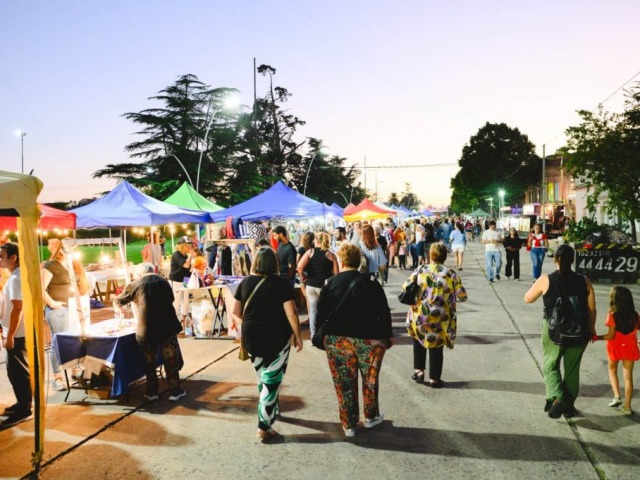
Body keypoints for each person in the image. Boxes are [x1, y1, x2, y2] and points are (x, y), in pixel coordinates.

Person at [315, 243, 393, 437]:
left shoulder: (330, 284)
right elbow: (383, 312)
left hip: (338, 340)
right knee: (370, 380)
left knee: (344, 382)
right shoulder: (372, 283)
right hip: (371, 340)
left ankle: (349, 424)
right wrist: (388, 335)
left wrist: (321, 335)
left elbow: (320, 312)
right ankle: (370, 416)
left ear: (340, 261)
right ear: (359, 261)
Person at [231, 247, 303, 441]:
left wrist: (243, 325)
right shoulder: (281, 284)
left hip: (251, 337)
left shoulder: (245, 283)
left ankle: (272, 408)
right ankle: (264, 426)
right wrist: (298, 335)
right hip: (277, 337)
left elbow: (235, 312)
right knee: (271, 380)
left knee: (262, 375)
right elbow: (291, 313)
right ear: (274, 263)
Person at [524, 244, 597, 418]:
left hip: (554, 331)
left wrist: (539, 286)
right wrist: (592, 329)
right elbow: (592, 309)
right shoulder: (584, 280)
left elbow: (527, 299)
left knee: (550, 365)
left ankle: (557, 398)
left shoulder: (546, 279)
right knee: (572, 369)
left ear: (556, 259)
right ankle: (569, 407)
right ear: (572, 260)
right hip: (580, 332)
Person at [114, 264, 185, 402]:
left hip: (147, 329)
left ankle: (151, 391)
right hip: (167, 326)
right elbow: (171, 299)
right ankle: (175, 391)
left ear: (139, 274)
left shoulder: (134, 285)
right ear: (153, 271)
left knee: (149, 361)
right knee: (170, 360)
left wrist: (121, 310)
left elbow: (118, 300)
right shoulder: (164, 281)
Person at [403, 243, 468, 388]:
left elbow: (406, 286)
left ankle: (419, 372)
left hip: (420, 314)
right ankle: (434, 379)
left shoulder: (421, 269)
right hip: (441, 318)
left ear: (431, 255)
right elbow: (462, 296)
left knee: (419, 341)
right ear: (444, 256)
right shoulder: (450, 274)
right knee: (437, 347)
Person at [0, 243, 33, 429]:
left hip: (17, 332)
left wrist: (10, 335)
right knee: (16, 370)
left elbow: (17, 309)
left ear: (13, 257)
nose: (0, 259)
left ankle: (24, 408)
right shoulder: (16, 276)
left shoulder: (16, 278)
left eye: (2, 256)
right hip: (16, 331)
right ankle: (22, 403)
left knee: (17, 371)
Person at [42, 238, 81, 391]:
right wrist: (52, 303)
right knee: (57, 342)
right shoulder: (51, 265)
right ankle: (57, 377)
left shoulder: (70, 264)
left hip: (71, 307)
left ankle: (75, 371)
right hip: (58, 309)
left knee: (74, 340)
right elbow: (40, 287)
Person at [596, 286, 640, 415]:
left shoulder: (612, 315)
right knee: (628, 377)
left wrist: (596, 337)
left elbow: (610, 336)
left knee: (612, 370)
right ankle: (627, 406)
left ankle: (616, 396)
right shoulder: (635, 316)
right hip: (630, 347)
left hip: (615, 347)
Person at [296, 232, 339, 338]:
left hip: (311, 285)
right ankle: (324, 334)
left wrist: (303, 277)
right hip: (323, 286)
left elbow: (299, 267)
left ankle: (313, 335)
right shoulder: (330, 255)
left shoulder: (310, 252)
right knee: (325, 310)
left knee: (312, 311)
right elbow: (337, 274)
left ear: (317, 241)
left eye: (315, 240)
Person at [168, 236, 195, 329]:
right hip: (176, 280)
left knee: (186, 300)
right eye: (188, 245)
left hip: (185, 279)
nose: (189, 247)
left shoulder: (185, 255)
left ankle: (184, 318)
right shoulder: (177, 254)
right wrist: (191, 255)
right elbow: (186, 265)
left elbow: (189, 268)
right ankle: (173, 322)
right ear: (183, 246)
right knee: (177, 301)